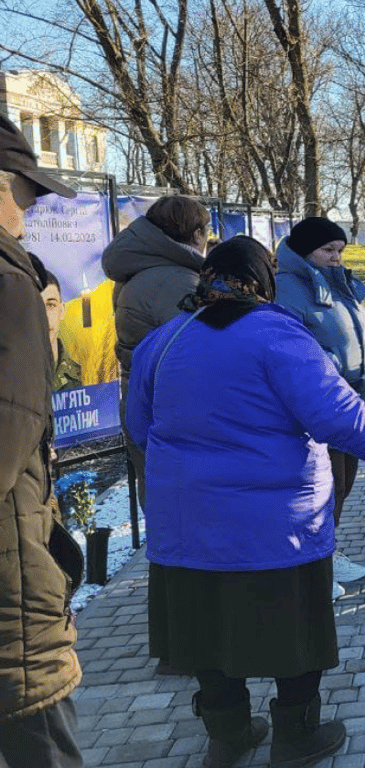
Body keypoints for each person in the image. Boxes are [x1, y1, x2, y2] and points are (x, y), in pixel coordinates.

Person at [127, 237, 365, 768]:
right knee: (295, 637)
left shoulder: (164, 340)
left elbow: (140, 429)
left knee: (206, 636)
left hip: (187, 529)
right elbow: (336, 415)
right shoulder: (280, 334)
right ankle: (295, 737)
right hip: (277, 529)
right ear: (262, 281)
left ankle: (228, 735)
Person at [0, 113, 83, 768]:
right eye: (22, 190)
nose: (30, 209)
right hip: (12, 582)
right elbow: (13, 419)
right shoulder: (9, 284)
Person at [275, 217, 365, 589]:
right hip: (320, 405)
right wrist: (337, 366)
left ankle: (328, 552)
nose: (336, 257)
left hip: (350, 400)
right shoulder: (288, 287)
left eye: (340, 250)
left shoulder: (338, 282)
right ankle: (313, 569)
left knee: (343, 483)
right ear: (306, 252)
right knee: (323, 488)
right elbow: (291, 349)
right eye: (327, 250)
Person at [102, 194, 211, 506]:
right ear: (197, 235)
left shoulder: (141, 269)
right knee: (185, 514)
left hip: (143, 402)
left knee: (162, 504)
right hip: (173, 412)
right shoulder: (178, 281)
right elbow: (194, 358)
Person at [40, 266, 84, 391]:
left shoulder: (84, 377)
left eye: (51, 305)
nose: (44, 316)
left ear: (62, 310)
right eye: (37, 304)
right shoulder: (11, 377)